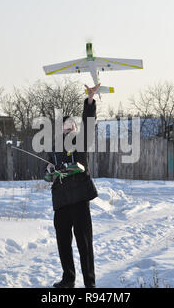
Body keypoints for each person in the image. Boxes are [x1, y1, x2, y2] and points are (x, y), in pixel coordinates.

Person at [46, 84, 100, 288]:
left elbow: (89, 122)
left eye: (71, 127)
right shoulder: (54, 148)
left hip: (79, 200)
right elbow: (47, 170)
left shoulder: (81, 141)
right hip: (60, 202)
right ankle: (68, 279)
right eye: (64, 128)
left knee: (84, 244)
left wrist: (89, 100)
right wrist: (49, 169)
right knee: (63, 244)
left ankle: (90, 283)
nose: (68, 130)